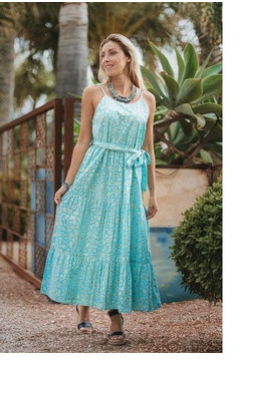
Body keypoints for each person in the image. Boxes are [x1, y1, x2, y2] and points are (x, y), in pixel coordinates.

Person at [40, 33, 161, 346]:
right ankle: (83, 308)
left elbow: (148, 149)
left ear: (128, 57)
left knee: (119, 245)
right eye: (102, 55)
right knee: (90, 237)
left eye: (112, 53)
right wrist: (68, 183)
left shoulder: (147, 100)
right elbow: (83, 141)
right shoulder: (93, 93)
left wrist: (152, 192)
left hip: (127, 183)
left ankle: (115, 316)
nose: (106, 59)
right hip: (95, 175)